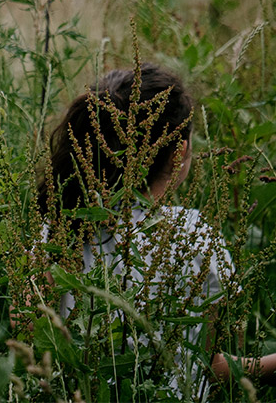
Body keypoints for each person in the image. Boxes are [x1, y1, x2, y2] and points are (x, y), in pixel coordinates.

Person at [38, 63, 275, 397]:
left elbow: (32, 347)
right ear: (179, 152)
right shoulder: (196, 237)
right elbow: (209, 365)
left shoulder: (55, 230)